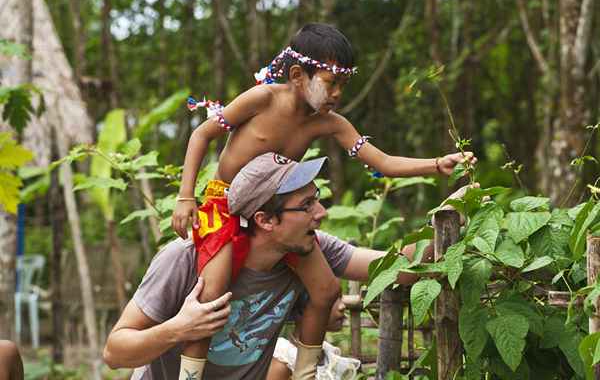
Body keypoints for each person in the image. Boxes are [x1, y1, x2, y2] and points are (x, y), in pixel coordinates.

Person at [171, 22, 475, 379]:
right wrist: (185, 195)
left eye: (343, 85)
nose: (337, 94)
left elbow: (384, 163)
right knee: (213, 293)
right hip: (227, 207)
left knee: (327, 288)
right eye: (331, 83)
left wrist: (438, 165)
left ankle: (305, 374)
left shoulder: (328, 123)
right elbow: (202, 133)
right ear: (298, 75)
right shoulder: (261, 100)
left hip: (278, 217)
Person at [105, 152, 463, 379]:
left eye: (317, 200)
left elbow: (399, 268)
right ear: (265, 220)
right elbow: (115, 351)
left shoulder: (310, 250)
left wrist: (453, 214)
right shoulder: (183, 259)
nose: (320, 214)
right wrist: (179, 328)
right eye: (306, 205)